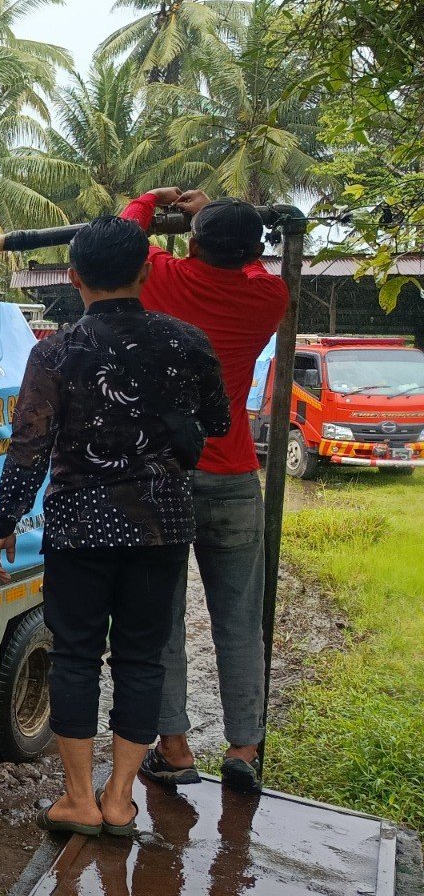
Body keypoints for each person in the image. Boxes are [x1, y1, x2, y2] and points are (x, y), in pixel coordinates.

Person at [0, 216, 231, 837]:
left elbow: (30, 446)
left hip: (81, 529)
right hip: (162, 527)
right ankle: (121, 798)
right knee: (141, 659)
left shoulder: (57, 350)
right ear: (146, 271)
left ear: (73, 277)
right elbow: (221, 422)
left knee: (75, 655)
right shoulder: (188, 341)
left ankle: (77, 799)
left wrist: (4, 519)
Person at [120, 188, 290, 794]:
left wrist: (153, 200)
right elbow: (249, 265)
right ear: (254, 251)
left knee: (161, 618)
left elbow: (124, 238)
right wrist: (214, 219)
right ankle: (243, 747)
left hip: (164, 475)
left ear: (192, 244)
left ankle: (175, 748)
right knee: (240, 621)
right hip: (235, 475)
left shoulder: (164, 278)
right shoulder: (267, 297)